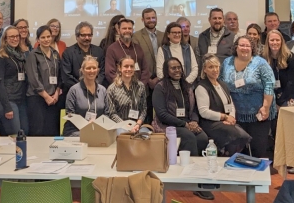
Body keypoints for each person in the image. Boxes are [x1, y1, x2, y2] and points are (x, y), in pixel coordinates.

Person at [152, 57, 213, 201]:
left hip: (186, 123)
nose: (177, 70)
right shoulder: (160, 88)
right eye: (173, 68)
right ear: (167, 71)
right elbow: (162, 114)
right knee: (189, 137)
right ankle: (193, 181)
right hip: (166, 124)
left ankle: (201, 175)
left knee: (203, 137)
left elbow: (194, 110)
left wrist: (194, 122)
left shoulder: (187, 86)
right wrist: (185, 125)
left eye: (179, 67)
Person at [220, 36, 276, 158]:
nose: (244, 48)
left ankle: (259, 176)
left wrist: (266, 106)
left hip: (258, 114)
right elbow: (220, 84)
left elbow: (269, 84)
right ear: (236, 47)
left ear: (252, 48)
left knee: (258, 151)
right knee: (238, 152)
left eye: (247, 46)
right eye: (241, 45)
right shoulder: (227, 62)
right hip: (235, 115)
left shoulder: (260, 63)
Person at [195, 54, 251, 156]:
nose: (215, 70)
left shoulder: (222, 84)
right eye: (211, 67)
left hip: (226, 122)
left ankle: (230, 158)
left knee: (243, 136)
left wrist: (231, 117)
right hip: (210, 123)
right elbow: (204, 112)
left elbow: (231, 104)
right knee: (238, 135)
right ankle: (227, 157)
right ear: (204, 69)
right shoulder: (201, 87)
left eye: (216, 66)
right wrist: (224, 117)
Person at [26, 25, 62, 136]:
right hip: (38, 98)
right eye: (43, 37)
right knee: (38, 130)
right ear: (38, 39)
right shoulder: (33, 55)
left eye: (48, 36)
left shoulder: (55, 54)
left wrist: (56, 93)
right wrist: (46, 96)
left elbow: (60, 74)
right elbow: (33, 78)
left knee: (52, 130)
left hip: (54, 98)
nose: (46, 40)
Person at [0, 26, 29, 135]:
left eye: (17, 36)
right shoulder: (0, 57)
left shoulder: (21, 55)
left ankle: (23, 152)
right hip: (8, 101)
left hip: (20, 100)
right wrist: (7, 107)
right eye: (11, 36)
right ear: (5, 39)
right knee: (15, 135)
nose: (15, 39)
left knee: (25, 131)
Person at [133, 8, 164, 124]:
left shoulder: (164, 35)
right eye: (148, 18)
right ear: (142, 20)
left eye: (153, 17)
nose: (151, 20)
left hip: (162, 79)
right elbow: (137, 60)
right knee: (147, 113)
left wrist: (159, 78)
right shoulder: (136, 37)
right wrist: (149, 79)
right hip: (145, 80)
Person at [63, 56, 108, 136]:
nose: (91, 71)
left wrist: (96, 125)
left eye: (94, 68)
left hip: (97, 130)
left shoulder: (103, 90)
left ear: (97, 71)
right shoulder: (74, 90)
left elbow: (107, 114)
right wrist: (86, 125)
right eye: (88, 68)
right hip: (76, 131)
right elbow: (70, 115)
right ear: (82, 70)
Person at [62, 21, 105, 93]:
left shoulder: (99, 51)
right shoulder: (68, 53)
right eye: (83, 35)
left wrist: (94, 86)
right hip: (75, 92)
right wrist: (82, 88)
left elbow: (102, 73)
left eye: (89, 35)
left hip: (95, 90)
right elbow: (67, 76)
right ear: (77, 36)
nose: (87, 38)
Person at [263, 29, 294, 108]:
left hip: (287, 97)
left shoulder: (290, 57)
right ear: (268, 42)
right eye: (272, 40)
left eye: (277, 40)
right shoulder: (263, 58)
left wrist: (287, 101)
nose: (275, 42)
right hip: (269, 97)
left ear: (282, 41)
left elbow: (293, 80)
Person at [105, 18, 150, 86]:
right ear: (118, 31)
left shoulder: (138, 48)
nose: (127, 31)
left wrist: (141, 85)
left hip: (139, 89)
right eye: (124, 28)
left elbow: (145, 70)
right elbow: (110, 73)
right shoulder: (112, 49)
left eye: (130, 28)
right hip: (120, 89)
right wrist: (124, 87)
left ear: (133, 30)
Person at [106, 56, 147, 131]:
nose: (129, 69)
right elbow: (112, 113)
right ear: (119, 68)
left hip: (137, 125)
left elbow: (143, 109)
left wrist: (138, 124)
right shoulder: (112, 89)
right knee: (123, 135)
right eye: (126, 66)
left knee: (146, 136)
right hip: (120, 126)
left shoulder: (140, 86)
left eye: (131, 66)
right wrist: (126, 126)